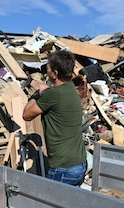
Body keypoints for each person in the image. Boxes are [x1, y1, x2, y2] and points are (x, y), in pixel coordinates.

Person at [22, 50, 87, 186]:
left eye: (48, 69)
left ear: (55, 73)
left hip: (63, 169)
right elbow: (48, 90)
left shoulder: (53, 94)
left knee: (50, 206)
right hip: (79, 165)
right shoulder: (70, 89)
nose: (47, 72)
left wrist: (35, 96)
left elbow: (27, 115)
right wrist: (33, 83)